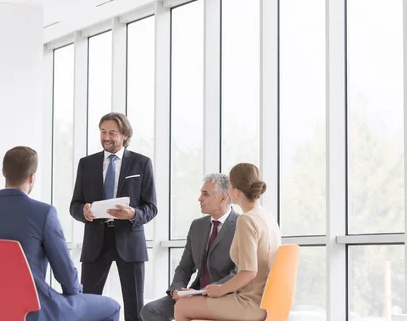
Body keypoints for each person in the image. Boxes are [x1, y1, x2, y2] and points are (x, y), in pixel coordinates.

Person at [0, 146, 120, 321]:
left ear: (3, 173)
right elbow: (66, 275)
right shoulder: (43, 213)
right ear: (32, 177)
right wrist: (75, 292)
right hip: (37, 309)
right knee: (111, 307)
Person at [70, 112, 157, 321]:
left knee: (134, 305)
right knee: (88, 303)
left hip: (129, 239)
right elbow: (75, 204)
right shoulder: (86, 164)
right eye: (102, 132)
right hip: (95, 241)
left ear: (125, 135)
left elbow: (151, 207)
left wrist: (133, 214)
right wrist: (83, 211)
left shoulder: (141, 163)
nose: (106, 137)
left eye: (112, 133)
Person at [174, 163, 282, 321]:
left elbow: (249, 272)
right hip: (269, 303)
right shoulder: (268, 217)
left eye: (229, 185)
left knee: (182, 306)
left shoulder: (246, 220)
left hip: (249, 304)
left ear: (236, 192)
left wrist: (221, 289)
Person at [141, 173, 239, 321]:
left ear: (223, 198)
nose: (199, 199)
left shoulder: (242, 225)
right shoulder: (197, 226)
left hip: (224, 296)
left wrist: (203, 292)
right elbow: (184, 267)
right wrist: (177, 289)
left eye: (205, 194)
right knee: (151, 310)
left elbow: (238, 272)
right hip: (192, 294)